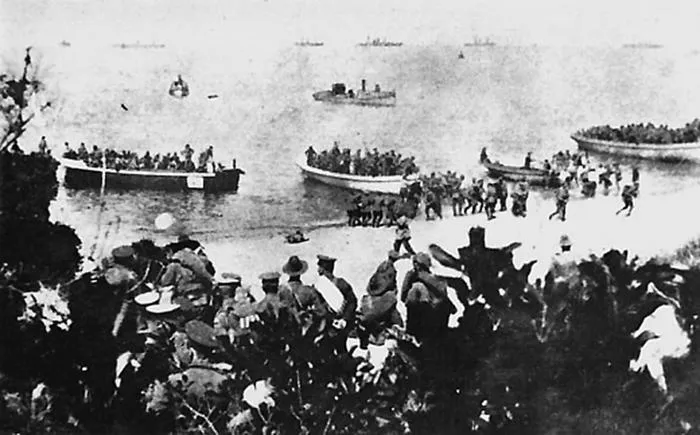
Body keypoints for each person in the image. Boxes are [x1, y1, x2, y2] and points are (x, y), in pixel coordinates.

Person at [400, 252, 455, 340]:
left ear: (417, 265)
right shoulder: (437, 279)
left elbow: (403, 297)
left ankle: (412, 333)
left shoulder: (415, 278)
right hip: (439, 322)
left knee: (416, 289)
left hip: (425, 322)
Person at [359, 250, 404, 345]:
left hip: (375, 295)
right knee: (394, 315)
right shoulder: (390, 270)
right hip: (383, 295)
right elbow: (389, 283)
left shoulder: (382, 266)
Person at [315, 255, 357, 332]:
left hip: (328, 327)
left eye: (319, 267)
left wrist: (340, 320)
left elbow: (318, 309)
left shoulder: (317, 286)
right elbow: (352, 302)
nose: (318, 270)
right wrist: (344, 319)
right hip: (342, 325)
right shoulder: (342, 283)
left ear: (322, 270)